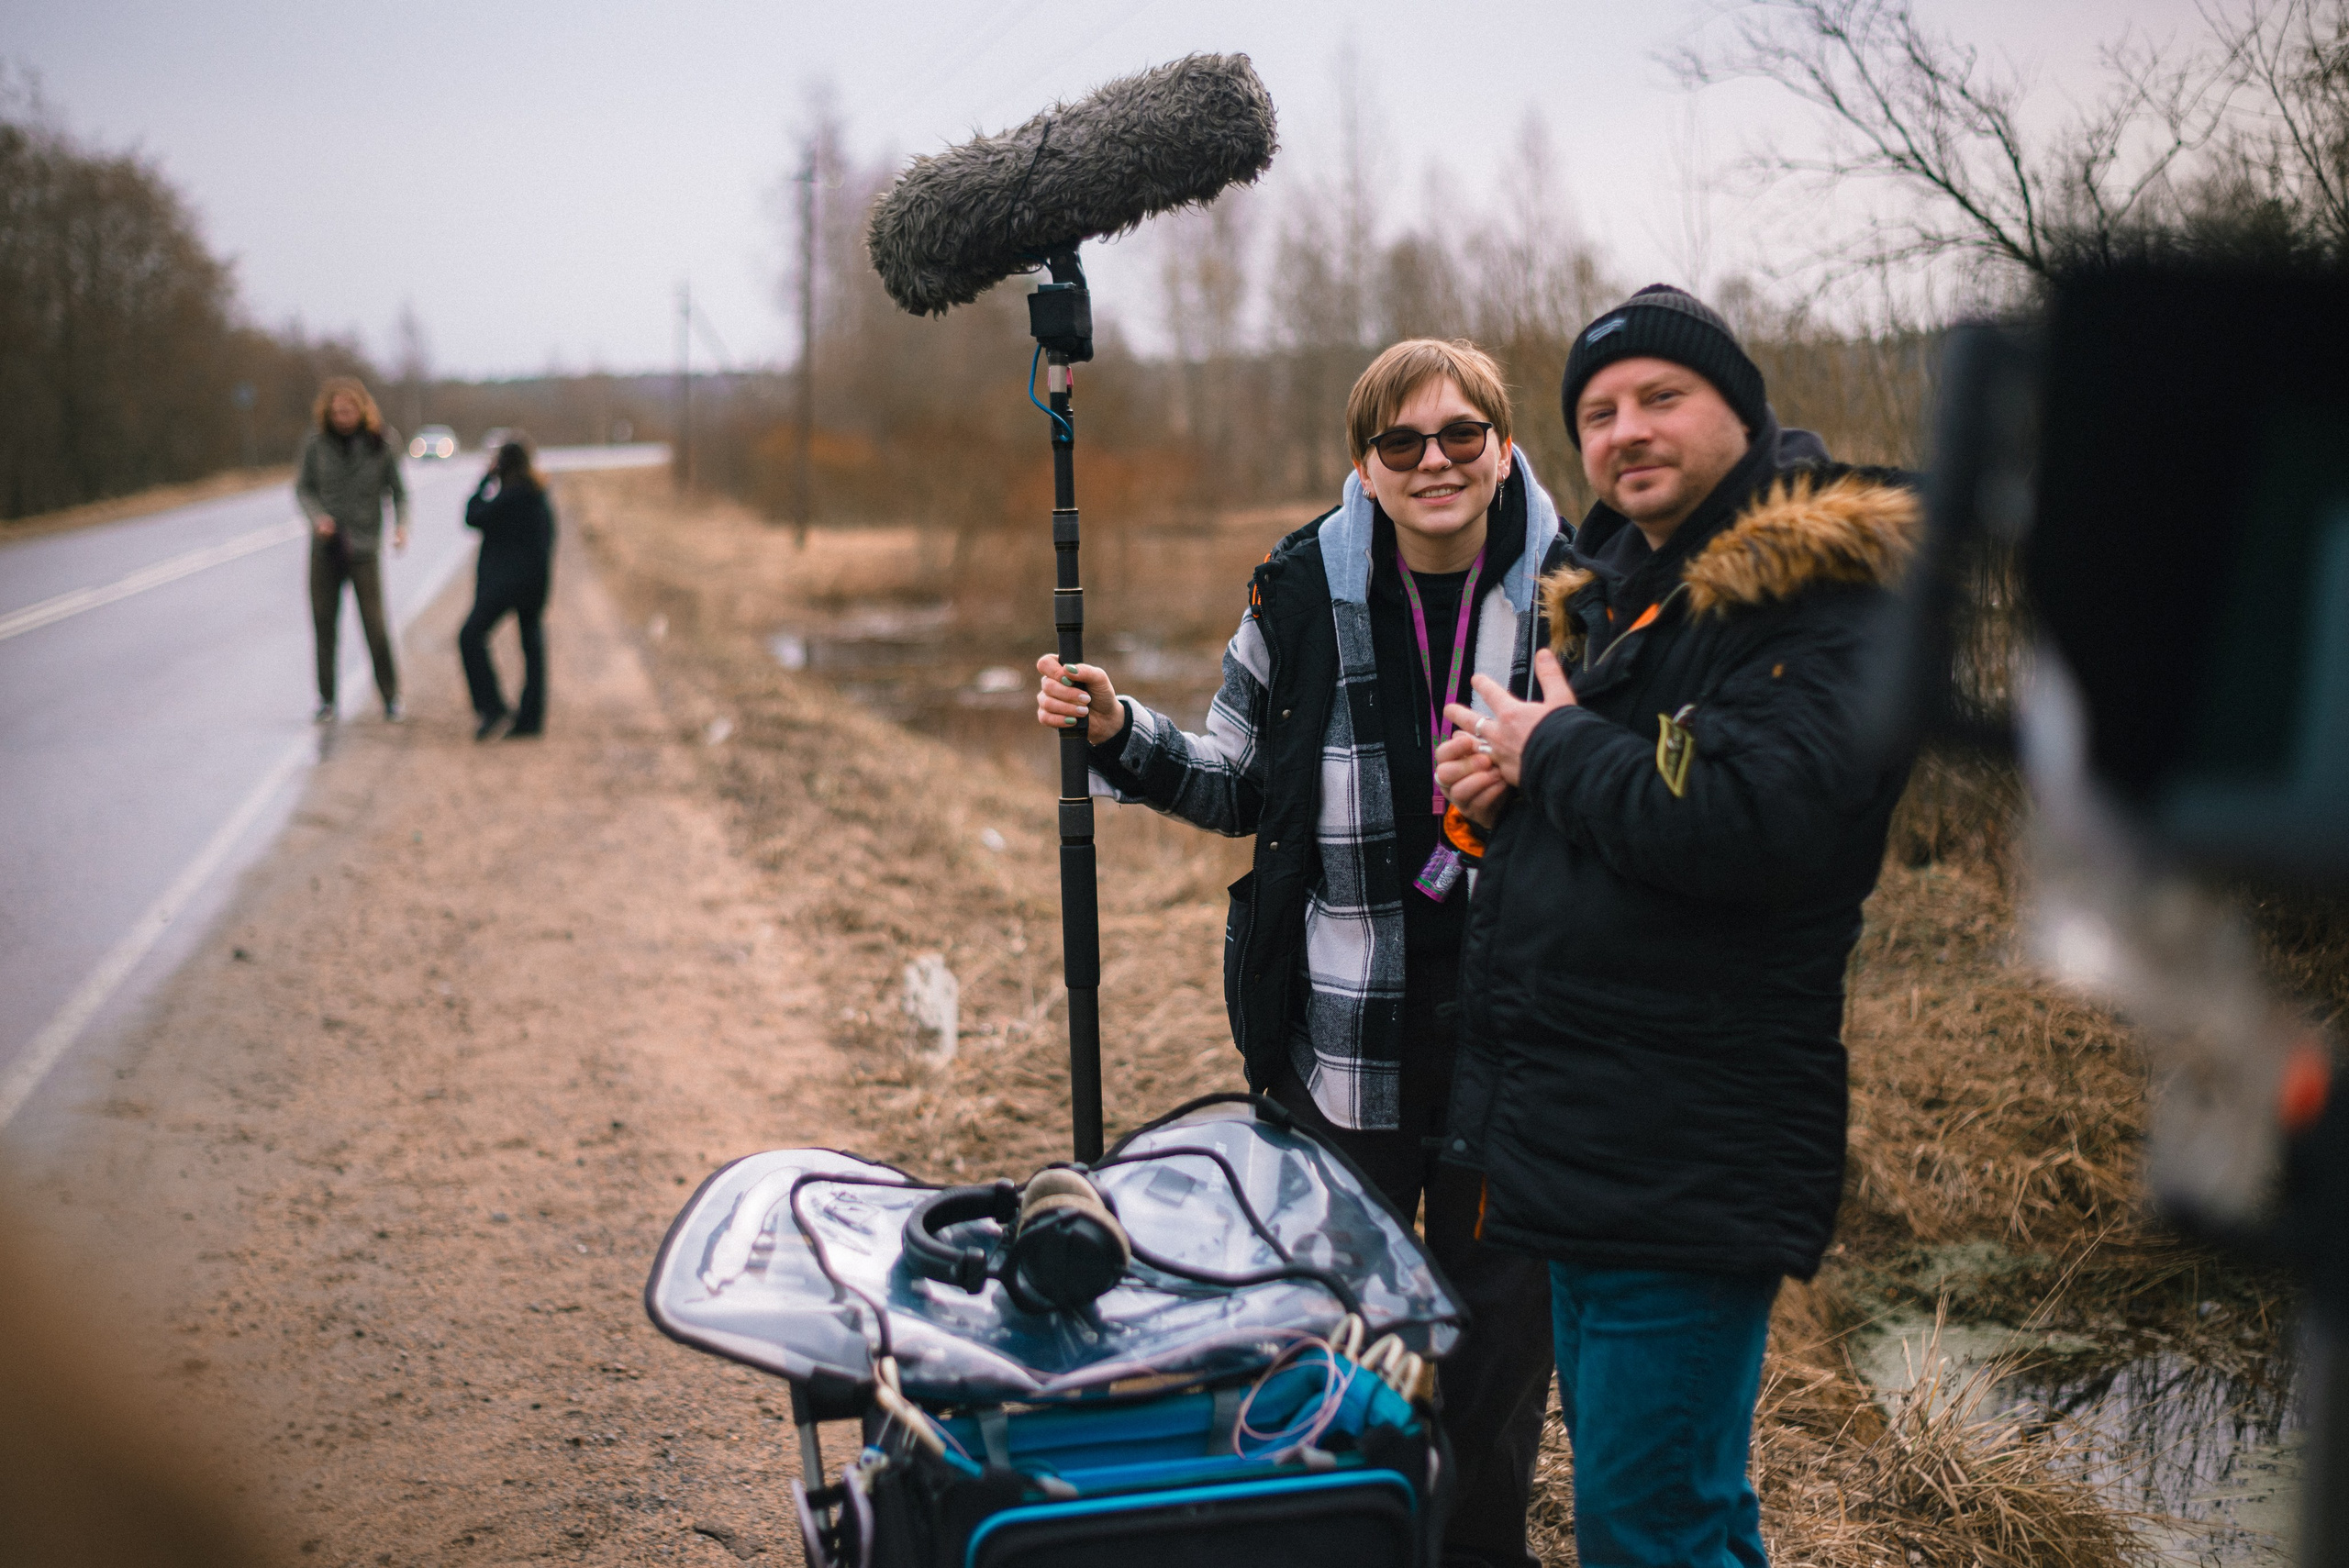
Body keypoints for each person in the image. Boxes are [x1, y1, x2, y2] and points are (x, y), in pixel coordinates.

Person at [1036, 339, 1564, 1568]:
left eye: (1461, 435)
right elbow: (1235, 784)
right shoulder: (1294, 593)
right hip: (1343, 1048)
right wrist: (1118, 730)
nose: (1435, 460)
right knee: (1348, 1348)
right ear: (1364, 468)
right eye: (1402, 442)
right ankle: (1359, 1538)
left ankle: (1477, 1552)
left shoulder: (1575, 590)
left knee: (1493, 1366)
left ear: (1501, 446)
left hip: (1521, 1054)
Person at [1432, 285, 1919, 1568]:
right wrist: (1507, 789)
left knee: (1657, 1528)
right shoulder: (1634, 594)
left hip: (1687, 1146)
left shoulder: (1817, 593)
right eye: (1596, 413)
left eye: (1661, 398)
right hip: (1595, 1141)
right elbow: (1625, 814)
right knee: (1659, 1515)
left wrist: (1559, 750)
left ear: (1743, 414)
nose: (1625, 432)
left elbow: (1761, 817)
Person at [295, 377, 409, 722]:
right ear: (327, 413)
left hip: (364, 548)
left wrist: (401, 527)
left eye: (348, 410)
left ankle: (391, 697)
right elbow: (304, 489)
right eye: (336, 411)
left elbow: (399, 492)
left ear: (362, 409)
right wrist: (317, 518)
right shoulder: (315, 444)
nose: (342, 417)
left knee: (375, 625)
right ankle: (327, 700)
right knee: (324, 625)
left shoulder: (382, 443)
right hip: (325, 549)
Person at [459, 437, 556, 740]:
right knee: (532, 648)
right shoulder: (539, 496)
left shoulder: (511, 496)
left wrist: (484, 480)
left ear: (503, 465)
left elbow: (472, 516)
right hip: (535, 583)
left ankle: (493, 708)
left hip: (504, 584)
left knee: (470, 636)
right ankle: (531, 719)